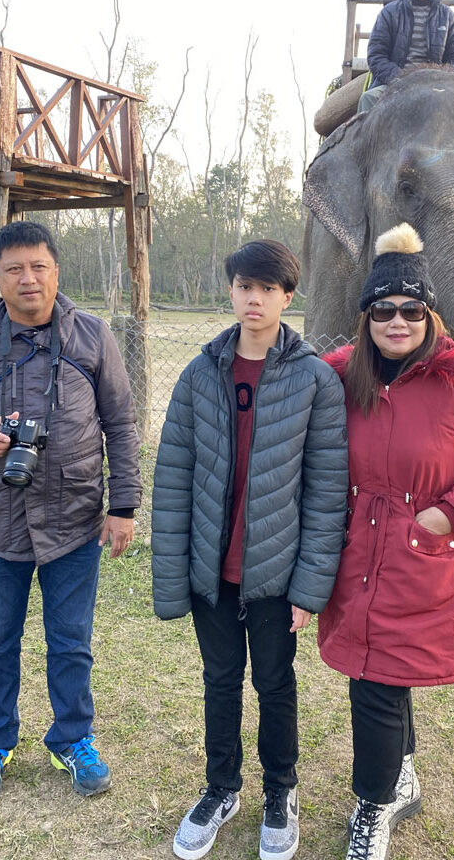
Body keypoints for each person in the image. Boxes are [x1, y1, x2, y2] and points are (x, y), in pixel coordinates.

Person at [0, 220, 142, 803]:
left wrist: (122, 505)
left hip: (74, 519)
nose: (28, 279)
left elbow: (121, 424)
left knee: (71, 641)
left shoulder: (93, 337)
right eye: (14, 269)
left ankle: (72, 738)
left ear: (55, 271)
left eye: (38, 267)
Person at [319, 223, 454, 860]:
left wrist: (450, 514)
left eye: (410, 310)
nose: (396, 322)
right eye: (382, 310)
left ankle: (373, 805)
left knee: (377, 681)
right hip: (358, 553)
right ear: (366, 317)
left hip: (421, 556)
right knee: (382, 676)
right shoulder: (343, 378)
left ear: (429, 315)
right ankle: (399, 780)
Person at [151, 239, 348, 860]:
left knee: (274, 682)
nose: (253, 298)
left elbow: (326, 492)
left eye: (267, 288)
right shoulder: (199, 373)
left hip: (277, 576)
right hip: (212, 571)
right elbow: (173, 477)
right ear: (231, 290)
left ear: (288, 297)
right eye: (243, 286)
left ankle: (279, 793)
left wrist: (309, 588)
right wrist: (174, 575)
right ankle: (221, 787)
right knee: (219, 680)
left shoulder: (315, 380)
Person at [357, 0, 454, 113]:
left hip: (437, 86)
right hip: (394, 84)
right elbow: (376, 55)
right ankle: (366, 139)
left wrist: (441, 79)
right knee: (368, 98)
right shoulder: (390, 12)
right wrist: (398, 77)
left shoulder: (448, 16)